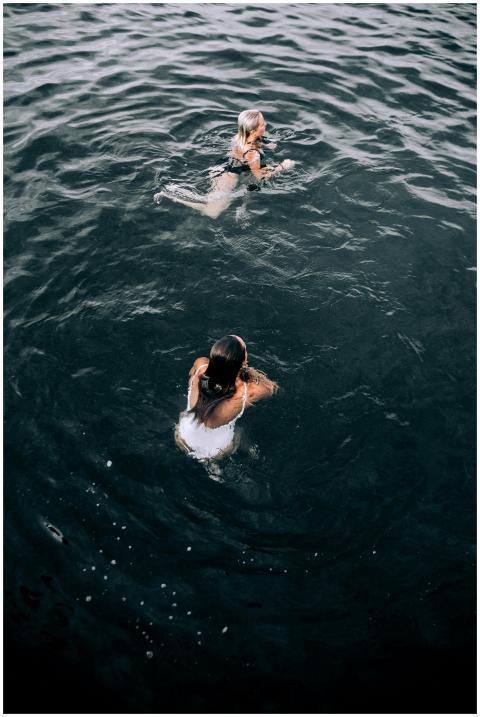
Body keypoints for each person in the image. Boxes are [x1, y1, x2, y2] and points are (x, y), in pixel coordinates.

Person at [154, 109, 295, 218]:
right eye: (263, 124)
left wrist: (266, 145)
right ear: (253, 130)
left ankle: (242, 206)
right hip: (228, 177)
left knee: (245, 187)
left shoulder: (240, 136)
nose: (266, 125)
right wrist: (282, 167)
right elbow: (260, 178)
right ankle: (170, 195)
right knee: (212, 212)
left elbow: (251, 144)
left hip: (223, 167)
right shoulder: (252, 153)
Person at [175, 334, 278, 460]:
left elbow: (193, 374)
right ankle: (248, 454)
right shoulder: (248, 391)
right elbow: (272, 389)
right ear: (243, 361)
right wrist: (246, 370)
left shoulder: (200, 364)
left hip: (183, 436)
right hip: (215, 452)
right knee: (239, 433)